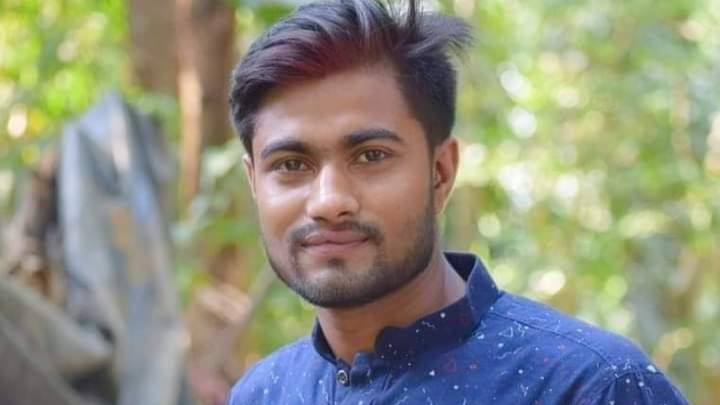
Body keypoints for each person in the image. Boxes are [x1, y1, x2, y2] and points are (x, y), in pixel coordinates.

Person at [226, 0, 689, 403]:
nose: (329, 201)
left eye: (371, 156)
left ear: (441, 171)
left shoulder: (590, 386)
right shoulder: (263, 392)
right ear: (254, 182)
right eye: (291, 164)